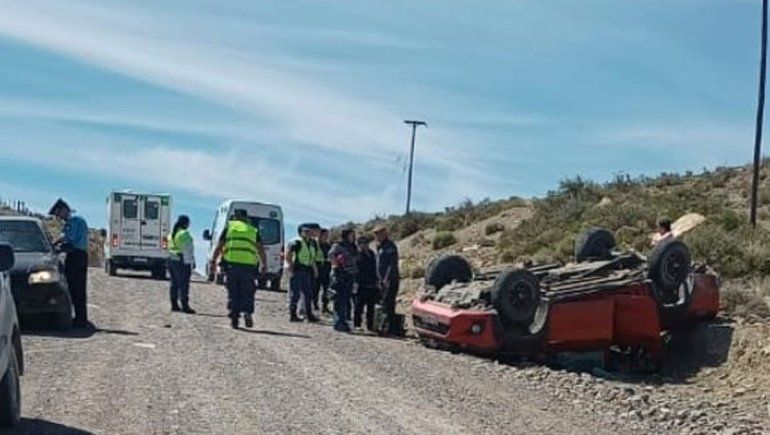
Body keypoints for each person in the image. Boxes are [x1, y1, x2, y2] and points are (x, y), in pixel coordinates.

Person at [211, 209, 266, 329]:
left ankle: (234, 318)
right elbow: (261, 249)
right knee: (248, 291)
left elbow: (219, 245)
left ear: (235, 217)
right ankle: (247, 312)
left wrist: (213, 261)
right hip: (248, 266)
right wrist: (263, 264)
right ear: (246, 218)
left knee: (233, 292)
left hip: (231, 265)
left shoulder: (229, 228)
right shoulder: (252, 230)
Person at [49, 199, 90, 328]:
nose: (59, 217)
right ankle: (80, 317)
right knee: (78, 288)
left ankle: (80, 319)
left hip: (76, 256)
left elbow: (69, 238)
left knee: (75, 287)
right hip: (78, 256)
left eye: (58, 214)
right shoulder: (76, 220)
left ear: (64, 209)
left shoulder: (73, 221)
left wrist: (55, 244)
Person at [285, 224, 319, 322]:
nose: (308, 233)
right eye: (306, 231)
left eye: (309, 231)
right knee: (295, 293)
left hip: (307, 271)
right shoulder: (296, 242)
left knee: (308, 293)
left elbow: (312, 258)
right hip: (297, 270)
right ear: (301, 232)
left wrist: (315, 270)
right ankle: (293, 315)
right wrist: (290, 268)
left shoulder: (312, 243)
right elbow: (288, 255)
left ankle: (309, 315)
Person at [329, 228, 358, 333]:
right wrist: (336, 268)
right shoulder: (338, 246)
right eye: (351, 235)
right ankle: (338, 322)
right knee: (339, 299)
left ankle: (344, 321)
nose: (353, 237)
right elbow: (332, 256)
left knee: (346, 300)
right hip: (340, 275)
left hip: (350, 276)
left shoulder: (353, 247)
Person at [374, 225, 400, 336]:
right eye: (375, 235)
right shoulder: (380, 247)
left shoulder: (390, 246)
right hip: (382, 280)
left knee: (389, 303)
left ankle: (391, 329)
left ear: (384, 234)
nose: (377, 237)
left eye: (379, 234)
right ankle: (383, 326)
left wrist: (387, 279)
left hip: (390, 279)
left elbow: (392, 264)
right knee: (384, 303)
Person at [167, 215, 195, 314]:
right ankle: (185, 306)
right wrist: (191, 262)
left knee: (174, 283)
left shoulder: (171, 234)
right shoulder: (184, 234)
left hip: (171, 259)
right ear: (185, 223)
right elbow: (188, 249)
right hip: (181, 261)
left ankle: (174, 304)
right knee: (184, 284)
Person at [354, 235, 379, 331]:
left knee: (371, 306)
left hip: (372, 282)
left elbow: (374, 268)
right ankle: (357, 324)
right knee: (359, 306)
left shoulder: (371, 254)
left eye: (366, 243)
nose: (365, 245)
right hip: (361, 283)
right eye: (363, 243)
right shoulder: (357, 255)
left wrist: (376, 280)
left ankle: (370, 325)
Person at [314, 228, 332, 314]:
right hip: (317, 269)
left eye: (327, 236)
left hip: (327, 270)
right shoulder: (315, 245)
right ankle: (314, 305)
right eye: (325, 235)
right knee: (315, 289)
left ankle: (325, 306)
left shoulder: (328, 246)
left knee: (326, 290)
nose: (326, 237)